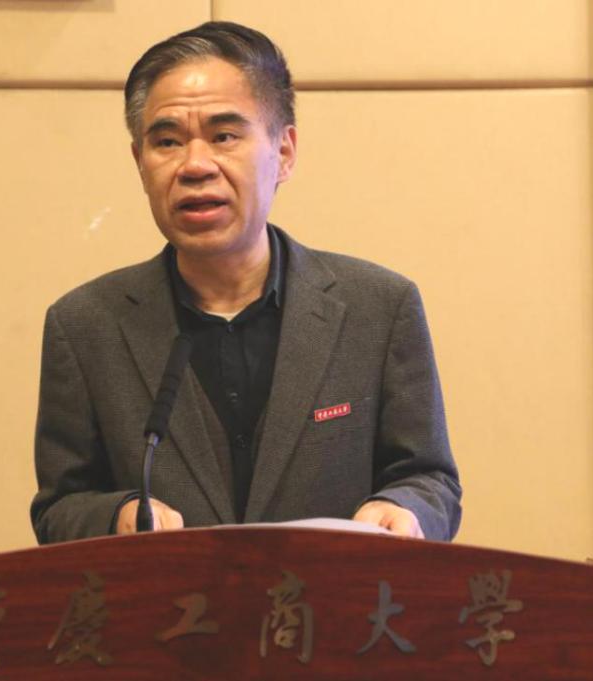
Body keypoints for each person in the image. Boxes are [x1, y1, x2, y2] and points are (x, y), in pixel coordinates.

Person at [30, 21, 461, 543]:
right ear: (140, 163)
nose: (195, 165)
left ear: (284, 152)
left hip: (333, 594)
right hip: (169, 597)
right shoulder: (85, 326)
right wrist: (116, 515)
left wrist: (403, 508)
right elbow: (60, 507)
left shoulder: (379, 307)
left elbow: (430, 479)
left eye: (224, 136)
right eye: (166, 141)